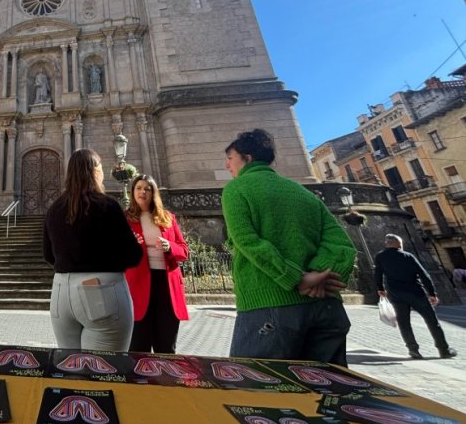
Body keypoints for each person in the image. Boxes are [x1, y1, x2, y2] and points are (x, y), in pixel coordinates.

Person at [222, 129, 357, 366]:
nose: (227, 165)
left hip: (270, 309)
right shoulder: (303, 193)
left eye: (231, 159)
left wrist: (298, 279)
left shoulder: (237, 189)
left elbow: (248, 241)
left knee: (261, 393)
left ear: (248, 158)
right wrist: (319, 275)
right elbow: (340, 243)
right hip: (326, 308)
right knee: (329, 394)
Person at [43, 149, 143, 351]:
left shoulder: (54, 209)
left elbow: (48, 254)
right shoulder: (107, 206)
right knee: (104, 370)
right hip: (100, 292)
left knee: (70, 368)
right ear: (95, 171)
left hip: (62, 294)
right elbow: (133, 255)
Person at [123, 174, 190, 353]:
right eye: (138, 188)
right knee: (138, 345)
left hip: (166, 285)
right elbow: (116, 251)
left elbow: (184, 251)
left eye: (147, 188)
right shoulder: (125, 219)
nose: (142, 192)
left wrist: (170, 247)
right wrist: (132, 246)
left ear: (154, 193)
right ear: (132, 192)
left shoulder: (168, 218)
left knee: (166, 345)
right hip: (139, 284)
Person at [374, 234, 457, 359]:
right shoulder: (408, 256)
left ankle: (413, 350)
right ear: (398, 244)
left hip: (396, 294)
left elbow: (377, 273)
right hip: (416, 293)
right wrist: (432, 293)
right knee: (432, 321)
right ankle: (443, 350)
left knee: (404, 323)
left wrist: (380, 288)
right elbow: (424, 275)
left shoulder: (380, 256)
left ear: (387, 244)